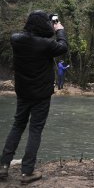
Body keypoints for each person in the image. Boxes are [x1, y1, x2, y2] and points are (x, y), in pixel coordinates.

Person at [0, 11, 68, 184]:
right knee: (35, 130)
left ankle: (3, 166)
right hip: (41, 94)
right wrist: (59, 29)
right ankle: (27, 172)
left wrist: (47, 27)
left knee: (17, 125)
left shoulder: (16, 40)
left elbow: (32, 36)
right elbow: (63, 47)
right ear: (43, 25)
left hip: (23, 92)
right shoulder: (46, 44)